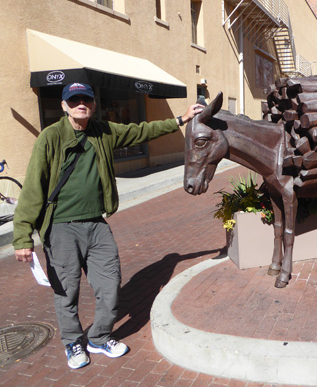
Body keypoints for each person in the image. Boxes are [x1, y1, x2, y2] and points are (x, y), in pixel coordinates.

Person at [13, 82, 204, 369]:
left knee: (111, 284)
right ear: (64, 106)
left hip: (96, 224)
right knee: (67, 291)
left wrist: (181, 118)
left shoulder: (102, 132)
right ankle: (72, 343)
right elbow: (32, 189)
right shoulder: (50, 138)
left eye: (86, 100)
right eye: (74, 100)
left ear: (93, 104)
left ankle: (99, 338)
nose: (81, 104)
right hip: (61, 228)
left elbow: (141, 131)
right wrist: (22, 236)